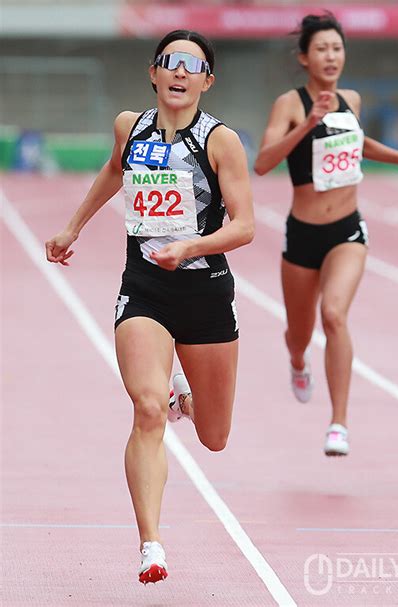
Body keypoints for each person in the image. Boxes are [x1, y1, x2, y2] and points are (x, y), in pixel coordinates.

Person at [45, 30, 254, 584]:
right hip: (145, 290)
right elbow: (116, 170)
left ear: (207, 80)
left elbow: (245, 226)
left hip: (206, 291)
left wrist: (190, 246)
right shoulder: (129, 127)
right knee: (145, 407)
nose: (180, 73)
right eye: (171, 63)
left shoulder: (220, 142)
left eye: (193, 66)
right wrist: (72, 228)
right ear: (154, 72)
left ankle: (187, 400)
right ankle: (152, 545)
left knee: (214, 436)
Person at [254, 12, 398, 457]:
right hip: (302, 235)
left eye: (337, 48)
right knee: (299, 334)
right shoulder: (289, 104)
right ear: (304, 57)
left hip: (347, 230)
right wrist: (307, 123)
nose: (330, 56)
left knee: (336, 315)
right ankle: (298, 362)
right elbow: (263, 163)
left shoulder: (352, 100)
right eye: (321, 48)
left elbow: (361, 144)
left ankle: (338, 423)